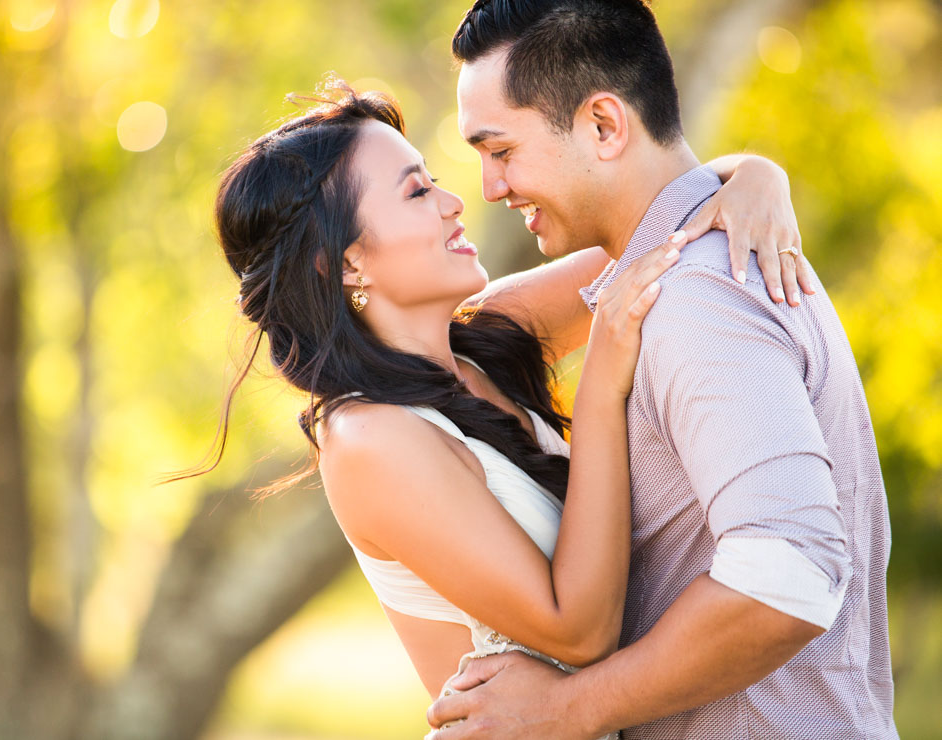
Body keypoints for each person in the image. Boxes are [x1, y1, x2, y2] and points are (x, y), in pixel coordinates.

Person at [207, 76, 804, 735]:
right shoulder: (367, 438)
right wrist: (602, 378)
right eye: (417, 191)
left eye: (433, 180)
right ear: (348, 265)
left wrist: (754, 176)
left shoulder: (484, 336)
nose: (456, 202)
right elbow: (577, 632)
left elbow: (660, 238)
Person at [425, 0, 895, 738]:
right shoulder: (661, 276)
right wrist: (744, 170)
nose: (489, 187)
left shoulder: (700, 299)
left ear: (605, 126)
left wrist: (566, 711)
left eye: (500, 150)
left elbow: (789, 573)